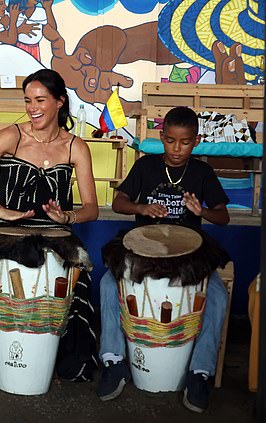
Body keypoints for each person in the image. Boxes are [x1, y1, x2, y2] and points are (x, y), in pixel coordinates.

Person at [0, 68, 99, 381]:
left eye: (40, 100)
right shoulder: (11, 136)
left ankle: (51, 362)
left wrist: (67, 216)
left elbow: (92, 208)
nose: (32, 107)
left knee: (76, 282)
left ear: (60, 102)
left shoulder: (75, 147)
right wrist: (1, 210)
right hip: (8, 235)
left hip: (57, 237)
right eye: (28, 100)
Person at [96, 106, 230, 413]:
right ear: (162, 137)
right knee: (107, 283)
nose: (177, 148)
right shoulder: (145, 166)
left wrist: (202, 212)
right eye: (170, 141)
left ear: (195, 141)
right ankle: (113, 360)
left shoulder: (202, 173)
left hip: (189, 253)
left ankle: (199, 372)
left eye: (184, 142)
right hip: (143, 247)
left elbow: (221, 216)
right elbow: (119, 202)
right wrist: (142, 209)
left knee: (218, 296)